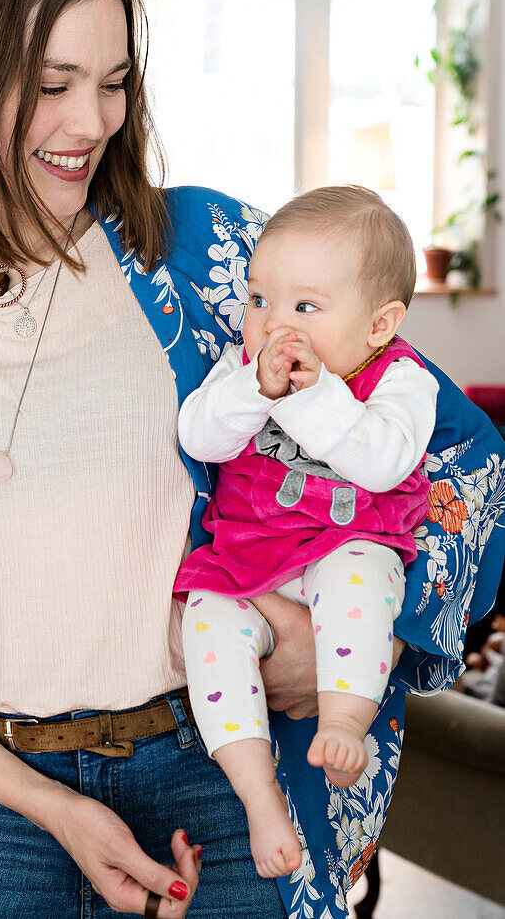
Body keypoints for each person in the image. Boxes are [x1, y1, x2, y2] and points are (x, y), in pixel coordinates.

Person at [0, 0, 504, 919]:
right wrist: (50, 805)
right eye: (50, 84)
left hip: (218, 791)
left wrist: (352, 644)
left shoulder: (213, 257)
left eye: (114, 83)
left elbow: (459, 460)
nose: (91, 122)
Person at [173, 187, 437, 878]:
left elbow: (382, 462)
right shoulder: (245, 367)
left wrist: (314, 393)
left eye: (306, 307)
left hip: (349, 539)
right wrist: (253, 391)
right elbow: (197, 434)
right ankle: (258, 796)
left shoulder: (402, 379)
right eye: (260, 300)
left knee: (363, 582)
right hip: (250, 556)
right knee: (206, 626)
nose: (273, 326)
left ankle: (345, 720)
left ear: (379, 326)